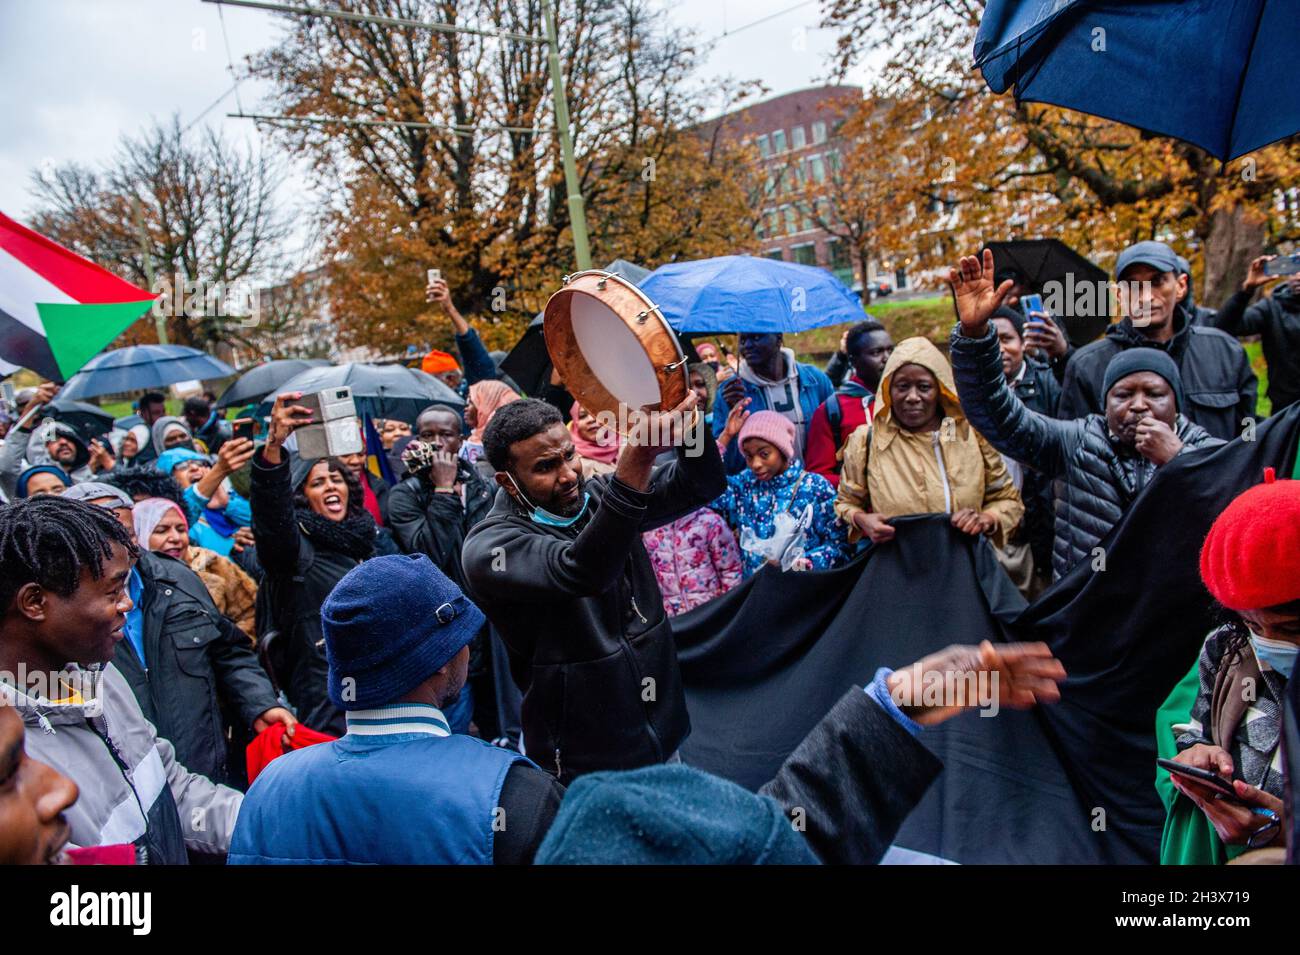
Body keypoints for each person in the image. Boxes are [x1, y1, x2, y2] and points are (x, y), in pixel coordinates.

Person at [230, 550, 1066, 865]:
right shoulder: (512, 798)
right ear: (447, 660)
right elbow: (763, 844)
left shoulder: (269, 794)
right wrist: (897, 704)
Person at [462, 393, 725, 783]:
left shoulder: (598, 497)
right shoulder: (489, 548)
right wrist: (635, 462)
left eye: (569, 456)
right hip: (583, 759)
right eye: (545, 467)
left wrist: (688, 423)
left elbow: (701, 483)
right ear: (507, 480)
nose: (568, 474)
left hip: (662, 732)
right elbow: (583, 570)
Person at [948, 248, 1222, 579]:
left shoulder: (1204, 450)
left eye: (1154, 394)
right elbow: (996, 414)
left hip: (1174, 605)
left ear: (1175, 403)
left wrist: (1179, 461)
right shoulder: (1075, 442)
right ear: (1104, 402)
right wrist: (975, 336)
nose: (1137, 405)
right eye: (1122, 394)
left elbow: (1232, 498)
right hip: (1092, 608)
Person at [0, 495, 242, 862]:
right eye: (113, 592)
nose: (128, 605)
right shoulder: (11, 758)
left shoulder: (100, 678)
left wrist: (272, 822)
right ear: (35, 602)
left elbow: (173, 789)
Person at [60, 483, 289, 791]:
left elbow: (228, 652)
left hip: (209, 779)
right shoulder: (59, 620)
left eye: (124, 535)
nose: (117, 551)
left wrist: (259, 703)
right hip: (130, 793)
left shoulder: (178, 579)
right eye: (97, 540)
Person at [1159, 470, 1298, 862]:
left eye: (1292, 628)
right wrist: (1196, 753)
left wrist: (1289, 831)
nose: (1270, 642)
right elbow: (1197, 727)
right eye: (1253, 624)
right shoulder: (1226, 649)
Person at [251, 392, 379, 735]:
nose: (331, 486)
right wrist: (273, 449)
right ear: (302, 496)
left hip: (376, 679)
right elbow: (271, 517)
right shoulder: (294, 551)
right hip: (325, 696)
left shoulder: (366, 539)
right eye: (318, 482)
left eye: (336, 479)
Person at [834, 336, 1024, 560]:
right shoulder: (866, 441)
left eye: (924, 387)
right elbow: (846, 503)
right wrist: (862, 520)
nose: (912, 397)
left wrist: (987, 519)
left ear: (941, 390)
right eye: (902, 387)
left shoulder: (970, 435)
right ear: (887, 390)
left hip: (966, 565)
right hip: (900, 566)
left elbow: (1008, 500)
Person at [1059, 240, 1257, 441]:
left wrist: (1248, 462)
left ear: (1180, 286)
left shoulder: (1226, 352)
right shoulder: (1087, 366)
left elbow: (1249, 430)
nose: (1146, 297)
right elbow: (1074, 451)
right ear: (1119, 295)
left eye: (1157, 281)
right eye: (1134, 286)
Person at [387, 407, 497, 735]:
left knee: (500, 724)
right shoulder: (404, 495)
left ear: (460, 439)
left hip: (492, 626)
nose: (436, 443)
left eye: (445, 435)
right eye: (427, 436)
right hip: (446, 630)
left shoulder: (484, 487)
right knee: (454, 727)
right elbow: (430, 553)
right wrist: (443, 491)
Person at [713, 411, 849, 577]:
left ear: (782, 450)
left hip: (802, 593)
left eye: (764, 454)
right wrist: (725, 437)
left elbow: (839, 547)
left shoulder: (815, 487)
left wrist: (801, 565)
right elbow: (704, 488)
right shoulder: (744, 486)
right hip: (756, 594)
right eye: (749, 456)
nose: (755, 464)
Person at [989, 305, 1062, 595]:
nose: (999, 349)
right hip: (989, 527)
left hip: (1040, 522)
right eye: (989, 340)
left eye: (1006, 339)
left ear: (1022, 343)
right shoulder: (964, 394)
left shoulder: (1049, 385)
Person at [131, 496, 259, 641]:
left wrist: (229, 646)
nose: (175, 537)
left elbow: (251, 612)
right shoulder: (131, 580)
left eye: (181, 529)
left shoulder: (210, 564)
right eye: (161, 531)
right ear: (139, 535)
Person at [712, 331, 834, 473]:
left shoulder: (814, 380)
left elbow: (835, 433)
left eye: (756, 337)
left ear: (778, 338)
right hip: (760, 492)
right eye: (743, 340)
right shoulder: (731, 392)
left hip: (814, 487)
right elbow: (726, 465)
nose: (748, 346)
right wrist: (731, 414)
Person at [1205, 254, 1300, 415]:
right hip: (1285, 408)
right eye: (1294, 270)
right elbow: (1224, 327)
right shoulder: (1272, 308)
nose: (1298, 276)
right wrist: (1247, 290)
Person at [806, 320, 894, 486]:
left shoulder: (909, 400)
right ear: (853, 361)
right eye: (876, 352)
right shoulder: (832, 410)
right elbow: (818, 476)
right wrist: (862, 486)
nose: (887, 358)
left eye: (891, 350)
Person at [641, 505, 742, 616]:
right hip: (673, 618)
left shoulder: (709, 522)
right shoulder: (649, 530)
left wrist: (728, 608)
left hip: (711, 611)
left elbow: (731, 569)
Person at [425, 274, 499, 399]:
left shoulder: (473, 396)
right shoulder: (428, 406)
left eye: (431, 382)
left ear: (451, 379)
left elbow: (476, 358)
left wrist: (450, 309)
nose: (428, 389)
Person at [464, 379, 521, 467]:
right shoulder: (472, 439)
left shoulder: (503, 445)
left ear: (488, 404)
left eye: (471, 402)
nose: (466, 408)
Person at [569, 401, 621, 475]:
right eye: (582, 416)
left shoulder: (630, 444)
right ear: (575, 424)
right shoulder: (575, 464)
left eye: (596, 413)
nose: (591, 419)